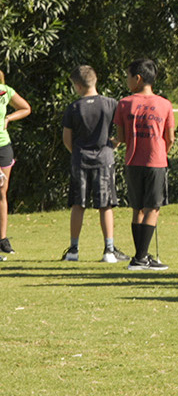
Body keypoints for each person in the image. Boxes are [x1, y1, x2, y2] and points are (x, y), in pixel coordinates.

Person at [114, 58, 176, 270]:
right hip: (156, 162)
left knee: (137, 209)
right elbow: (170, 138)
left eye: (128, 76)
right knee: (153, 208)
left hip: (132, 161)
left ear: (138, 78)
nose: (127, 80)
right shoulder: (165, 104)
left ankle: (141, 255)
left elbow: (121, 137)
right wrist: (161, 153)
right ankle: (140, 258)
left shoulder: (124, 103)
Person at [62, 65, 122, 264]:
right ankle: (109, 249)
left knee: (78, 204)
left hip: (80, 159)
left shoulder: (73, 108)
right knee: (105, 205)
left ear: (78, 86)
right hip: (104, 158)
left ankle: (73, 249)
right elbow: (121, 132)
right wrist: (113, 144)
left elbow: (67, 139)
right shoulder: (110, 104)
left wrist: (77, 152)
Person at [0, 68, 28, 256]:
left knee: (1, 192)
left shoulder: (5, 91)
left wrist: (9, 118)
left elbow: (25, 108)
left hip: (3, 146)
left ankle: (2, 240)